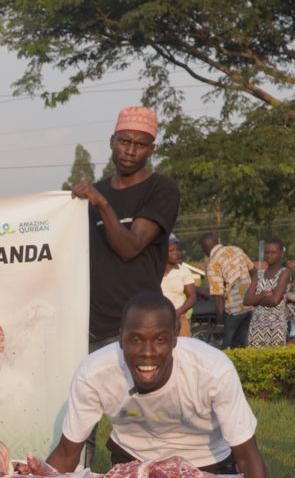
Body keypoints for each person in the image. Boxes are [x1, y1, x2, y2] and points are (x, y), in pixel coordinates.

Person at [47, 290, 270, 478]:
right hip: (132, 466)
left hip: (208, 468)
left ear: (175, 337)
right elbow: (67, 454)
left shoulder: (212, 370)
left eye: (160, 340)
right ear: (121, 337)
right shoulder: (95, 372)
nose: (147, 353)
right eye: (135, 340)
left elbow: (247, 457)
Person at [71, 107, 180, 349]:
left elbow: (130, 248)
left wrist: (102, 205)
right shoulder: (92, 196)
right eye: (123, 141)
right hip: (90, 329)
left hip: (139, 328)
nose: (130, 151)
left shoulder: (161, 190)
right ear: (112, 142)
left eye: (140, 145)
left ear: (152, 150)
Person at [198, 232, 255, 344]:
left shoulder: (213, 263)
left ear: (204, 249)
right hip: (250, 305)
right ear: (218, 242)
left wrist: (219, 324)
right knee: (243, 346)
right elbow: (254, 272)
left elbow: (218, 296)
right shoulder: (236, 250)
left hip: (233, 309)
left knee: (228, 347)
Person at [243, 239, 292, 347]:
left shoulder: (284, 273)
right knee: (255, 359)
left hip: (276, 325)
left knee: (276, 358)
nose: (269, 255)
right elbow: (246, 300)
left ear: (281, 253)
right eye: (266, 252)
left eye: (273, 252)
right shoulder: (258, 274)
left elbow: (275, 301)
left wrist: (255, 300)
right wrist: (263, 294)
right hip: (256, 324)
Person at [159, 236, 199, 337]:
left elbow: (192, 296)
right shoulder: (154, 270)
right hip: (158, 319)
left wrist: (177, 313)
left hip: (179, 319)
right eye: (171, 250)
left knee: (182, 348)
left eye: (176, 249)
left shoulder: (184, 271)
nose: (175, 252)